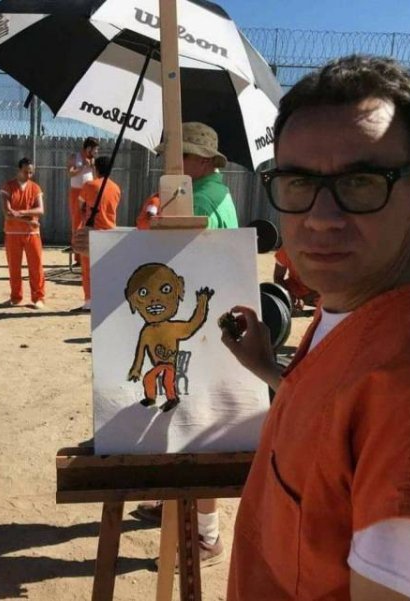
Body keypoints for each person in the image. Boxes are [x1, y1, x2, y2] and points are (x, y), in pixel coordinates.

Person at [221, 55, 410, 600]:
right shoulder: (355, 306)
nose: (322, 217)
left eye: (361, 182)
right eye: (298, 182)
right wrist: (271, 372)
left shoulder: (403, 392)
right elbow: (335, 429)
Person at [134, 122, 240, 567]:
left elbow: (167, 255)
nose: (166, 163)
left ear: (197, 160)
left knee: (195, 425)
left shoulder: (198, 200)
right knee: (176, 412)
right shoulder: (215, 193)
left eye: (174, 156)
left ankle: (207, 535)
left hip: (195, 328)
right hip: (198, 325)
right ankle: (171, 498)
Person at [136, 122, 238, 230]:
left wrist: (152, 227)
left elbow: (178, 241)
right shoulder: (220, 191)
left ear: (205, 160)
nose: (170, 161)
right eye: (170, 155)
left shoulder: (198, 202)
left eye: (181, 155)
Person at [72, 155, 121, 313]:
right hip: (110, 231)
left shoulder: (90, 185)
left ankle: (90, 302)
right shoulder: (116, 188)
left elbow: (80, 204)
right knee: (105, 269)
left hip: (93, 232)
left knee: (88, 270)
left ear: (96, 169)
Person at [1, 157, 46, 309]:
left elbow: (40, 210)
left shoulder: (35, 188)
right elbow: (7, 213)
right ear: (19, 170)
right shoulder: (8, 186)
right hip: (12, 232)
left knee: (36, 266)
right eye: (26, 171)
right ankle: (16, 297)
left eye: (31, 172)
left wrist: (20, 213)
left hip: (32, 233)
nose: (28, 175)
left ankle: (38, 297)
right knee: (14, 267)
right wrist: (29, 220)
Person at [67, 137, 100, 265]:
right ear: (88, 148)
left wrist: (93, 166)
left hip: (90, 192)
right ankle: (78, 256)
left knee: (89, 220)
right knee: (77, 222)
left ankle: (88, 253)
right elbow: (70, 173)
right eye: (95, 149)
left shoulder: (93, 160)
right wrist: (83, 167)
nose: (96, 152)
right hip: (76, 191)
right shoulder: (75, 157)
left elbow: (97, 177)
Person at [273, 245, 320, 309]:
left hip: (320, 291)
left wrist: (304, 299)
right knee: (271, 294)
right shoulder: (287, 249)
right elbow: (278, 277)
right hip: (295, 287)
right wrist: (289, 296)